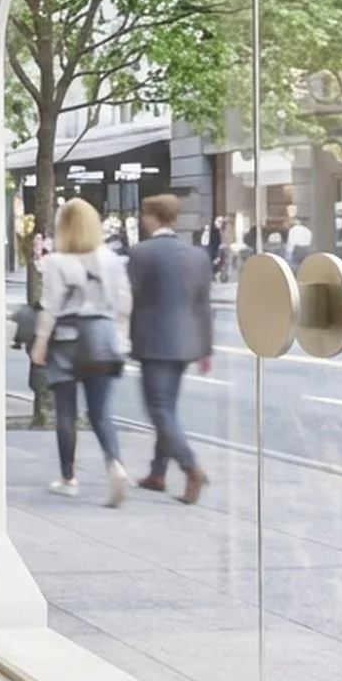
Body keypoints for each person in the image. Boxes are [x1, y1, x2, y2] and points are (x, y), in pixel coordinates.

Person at [29, 198, 133, 505]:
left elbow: (50, 307)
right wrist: (121, 340)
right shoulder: (112, 260)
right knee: (101, 413)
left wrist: (40, 343)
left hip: (66, 339)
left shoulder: (56, 263)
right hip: (103, 336)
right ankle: (115, 466)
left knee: (66, 412)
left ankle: (68, 477)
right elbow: (124, 302)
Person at [126, 195, 214, 504]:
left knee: (159, 409)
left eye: (144, 215)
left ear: (151, 217)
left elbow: (130, 297)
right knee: (168, 408)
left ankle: (190, 466)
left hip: (153, 341)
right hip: (187, 343)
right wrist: (206, 348)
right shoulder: (197, 256)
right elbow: (204, 305)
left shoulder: (140, 253)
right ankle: (157, 473)